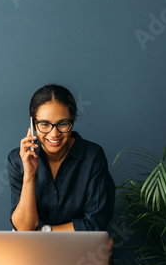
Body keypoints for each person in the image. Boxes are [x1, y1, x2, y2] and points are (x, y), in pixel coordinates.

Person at [7, 84, 115, 231]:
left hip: (79, 248)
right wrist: (29, 175)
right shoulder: (17, 159)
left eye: (63, 124)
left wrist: (44, 233)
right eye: (44, 124)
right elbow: (24, 228)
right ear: (32, 123)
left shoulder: (92, 156)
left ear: (73, 121)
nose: (54, 134)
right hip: (33, 248)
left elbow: (95, 224)